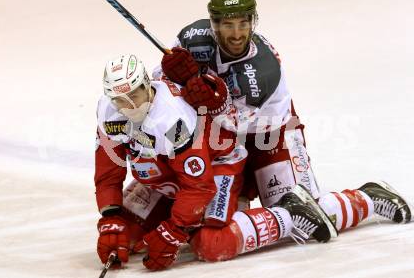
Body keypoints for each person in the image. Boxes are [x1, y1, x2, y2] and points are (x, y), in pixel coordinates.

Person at [156, 0, 412, 235]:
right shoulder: (192, 37)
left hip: (271, 133)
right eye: (227, 25)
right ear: (213, 24)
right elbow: (161, 88)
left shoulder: (262, 68)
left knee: (301, 213)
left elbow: (238, 121)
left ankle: (368, 197)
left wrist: (211, 98)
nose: (236, 34)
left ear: (252, 22)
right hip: (224, 142)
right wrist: (173, 77)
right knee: (209, 217)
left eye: (243, 24)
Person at [94, 53, 336, 271]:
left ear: (147, 85)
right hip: (166, 175)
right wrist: (110, 218)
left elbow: (199, 185)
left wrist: (174, 231)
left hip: (217, 165)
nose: (130, 107)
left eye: (134, 95)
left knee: (210, 244)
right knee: (125, 235)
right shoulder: (109, 112)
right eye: (120, 100)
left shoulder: (172, 117)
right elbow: (108, 171)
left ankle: (288, 214)